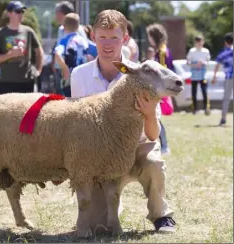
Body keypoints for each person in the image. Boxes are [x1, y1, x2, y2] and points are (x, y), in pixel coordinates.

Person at [71, 10, 175, 233]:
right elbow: (77, 126)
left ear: (125, 38)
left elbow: (154, 135)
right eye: (102, 38)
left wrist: (149, 113)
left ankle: (161, 214)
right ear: (93, 38)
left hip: (136, 149)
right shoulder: (79, 75)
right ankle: (111, 206)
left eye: (114, 38)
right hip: (98, 158)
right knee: (97, 227)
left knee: (154, 162)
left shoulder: (143, 75)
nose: (108, 44)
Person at [0, 1, 44, 95]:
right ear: (9, 13)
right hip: (6, 81)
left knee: (27, 109)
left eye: (22, 12)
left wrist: (38, 71)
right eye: (18, 11)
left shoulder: (28, 31)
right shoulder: (0, 33)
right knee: (3, 109)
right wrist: (11, 54)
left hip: (26, 82)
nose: (20, 14)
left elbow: (39, 51)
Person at [146, 23, 172, 155]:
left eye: (149, 36)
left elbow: (163, 71)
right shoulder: (161, 50)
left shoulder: (162, 52)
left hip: (159, 88)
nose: (148, 39)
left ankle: (165, 145)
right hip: (159, 87)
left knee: (157, 117)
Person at [53, 1, 88, 94]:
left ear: (62, 14)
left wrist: (64, 68)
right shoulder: (61, 29)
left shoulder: (78, 30)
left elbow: (58, 51)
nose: (55, 16)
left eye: (56, 13)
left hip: (71, 71)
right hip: (63, 69)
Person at [212, 32, 233, 126]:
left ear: (225, 42)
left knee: (226, 99)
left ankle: (223, 119)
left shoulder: (223, 52)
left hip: (229, 78)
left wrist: (214, 76)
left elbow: (217, 65)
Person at [187, 35, 211, 115]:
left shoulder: (206, 51)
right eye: (197, 42)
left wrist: (203, 63)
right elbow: (188, 62)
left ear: (203, 42)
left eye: (200, 42)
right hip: (194, 75)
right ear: (195, 43)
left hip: (203, 75)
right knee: (194, 92)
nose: (199, 44)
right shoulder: (192, 51)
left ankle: (206, 108)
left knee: (204, 91)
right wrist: (194, 65)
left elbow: (208, 62)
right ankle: (194, 109)